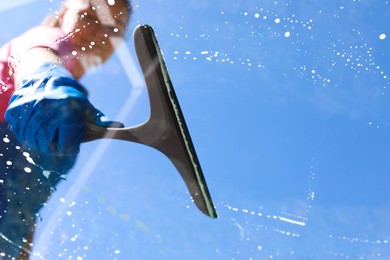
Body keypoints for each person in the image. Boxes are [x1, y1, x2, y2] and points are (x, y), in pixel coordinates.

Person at [0, 0, 132, 257]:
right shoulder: (47, 40)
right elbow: (37, 53)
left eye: (114, 28)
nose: (101, 32)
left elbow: (26, 209)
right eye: (90, 17)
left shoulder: (70, 109)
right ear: (62, 14)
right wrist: (43, 80)